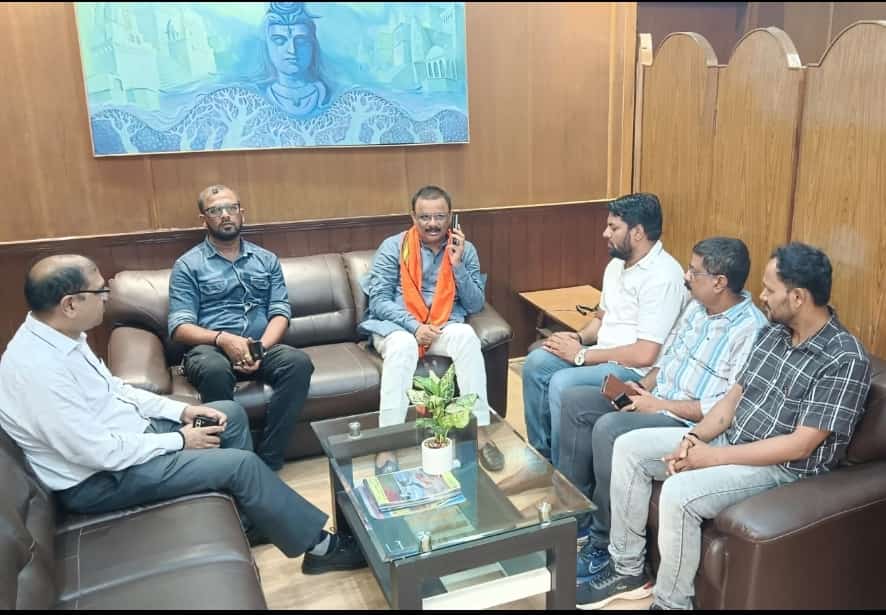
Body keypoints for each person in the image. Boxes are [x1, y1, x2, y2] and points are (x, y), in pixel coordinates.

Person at [0, 255, 365, 574]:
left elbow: (119, 392)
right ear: (70, 304)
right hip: (100, 479)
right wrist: (180, 439)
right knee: (240, 465)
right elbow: (96, 452)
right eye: (100, 292)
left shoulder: (64, 338)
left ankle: (250, 519)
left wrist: (184, 410)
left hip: (126, 438)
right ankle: (321, 550)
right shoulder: (37, 371)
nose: (106, 299)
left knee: (228, 413)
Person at [577, 242, 871, 610]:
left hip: (782, 468)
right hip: (733, 439)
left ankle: (671, 604)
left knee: (679, 493)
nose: (761, 296)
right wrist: (693, 437)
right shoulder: (774, 333)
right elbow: (733, 398)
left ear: (797, 297)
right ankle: (628, 570)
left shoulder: (844, 358)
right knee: (629, 448)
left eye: (770, 289)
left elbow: (800, 445)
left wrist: (712, 457)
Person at [558, 237, 766, 580]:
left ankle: (602, 542)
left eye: (694, 272)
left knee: (609, 430)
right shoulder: (696, 307)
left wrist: (658, 404)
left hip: (685, 421)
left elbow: (721, 407)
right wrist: (642, 388)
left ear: (719, 282)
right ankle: (573, 518)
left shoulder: (751, 331)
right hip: (658, 398)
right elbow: (668, 360)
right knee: (576, 400)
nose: (686, 276)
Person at [521, 193, 687, 467]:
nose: (605, 233)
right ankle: (541, 458)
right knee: (537, 362)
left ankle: (563, 476)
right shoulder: (615, 265)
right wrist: (578, 338)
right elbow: (601, 318)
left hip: (635, 372)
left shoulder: (664, 277)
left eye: (613, 227)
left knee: (562, 383)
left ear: (637, 233)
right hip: (600, 354)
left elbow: (645, 354)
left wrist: (582, 356)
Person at [168, 184, 314, 472]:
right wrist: (224, 340)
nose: (225, 215)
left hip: (260, 345)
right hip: (210, 349)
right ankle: (234, 463)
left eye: (231, 208)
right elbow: (179, 326)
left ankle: (268, 460)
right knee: (214, 370)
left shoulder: (266, 259)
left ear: (241, 213)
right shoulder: (188, 265)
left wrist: (260, 349)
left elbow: (280, 311)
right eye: (215, 210)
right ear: (204, 219)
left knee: (298, 363)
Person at [359, 185, 493, 473]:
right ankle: (387, 443)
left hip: (443, 324)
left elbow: (475, 304)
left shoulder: (465, 249)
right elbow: (379, 300)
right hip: (399, 326)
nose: (433, 224)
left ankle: (479, 430)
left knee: (467, 337)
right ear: (413, 216)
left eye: (439, 217)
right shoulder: (393, 247)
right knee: (403, 345)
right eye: (425, 217)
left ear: (451, 216)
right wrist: (414, 326)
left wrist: (457, 265)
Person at [262, 2, 329, 118]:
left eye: (301, 41)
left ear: (313, 45)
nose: (292, 50)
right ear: (267, 45)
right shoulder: (254, 98)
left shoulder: (332, 96)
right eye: (280, 40)